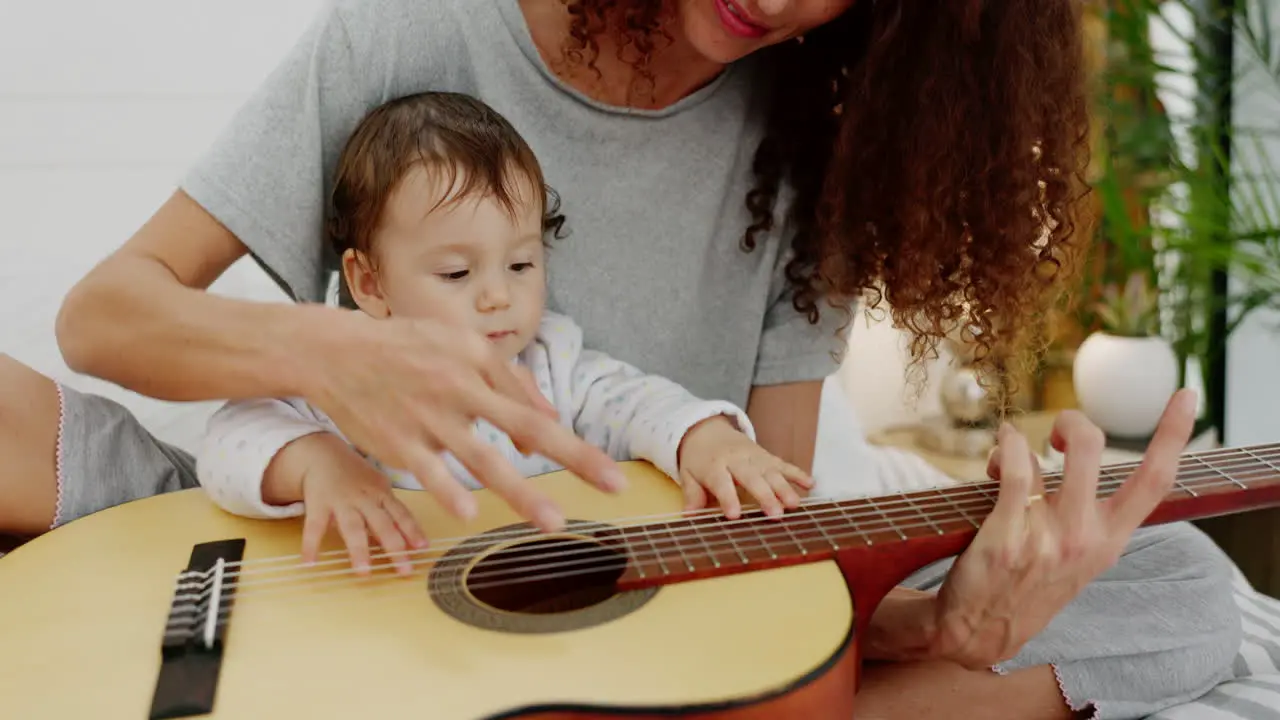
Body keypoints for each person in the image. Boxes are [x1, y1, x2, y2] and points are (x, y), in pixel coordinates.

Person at [0, 0, 1241, 717]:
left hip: (607, 635)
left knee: (1174, 583)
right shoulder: (417, 26)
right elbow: (106, 314)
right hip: (302, 537)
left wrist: (932, 629)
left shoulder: (818, 145)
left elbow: (768, 554)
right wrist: (327, 359)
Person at [197, 90, 812, 575]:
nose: (498, 295)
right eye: (456, 272)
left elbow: (636, 403)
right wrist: (316, 462)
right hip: (374, 616)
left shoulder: (550, 362)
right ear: (370, 283)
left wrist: (705, 439)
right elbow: (228, 437)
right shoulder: (340, 374)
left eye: (521, 264)